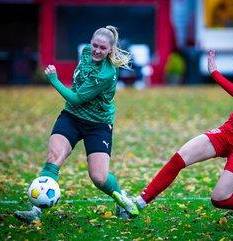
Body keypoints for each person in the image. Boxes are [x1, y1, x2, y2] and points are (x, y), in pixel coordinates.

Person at [114, 35, 233, 227]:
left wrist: (215, 73)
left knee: (219, 198)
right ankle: (139, 203)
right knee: (180, 157)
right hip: (230, 131)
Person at [14, 25, 139, 223]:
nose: (97, 50)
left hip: (98, 124)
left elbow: (77, 99)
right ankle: (35, 211)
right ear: (90, 43)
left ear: (110, 50)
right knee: (54, 157)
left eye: (102, 48)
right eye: (94, 45)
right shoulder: (86, 52)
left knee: (99, 177)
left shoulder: (106, 73)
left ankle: (121, 197)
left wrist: (54, 80)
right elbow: (75, 101)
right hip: (71, 117)